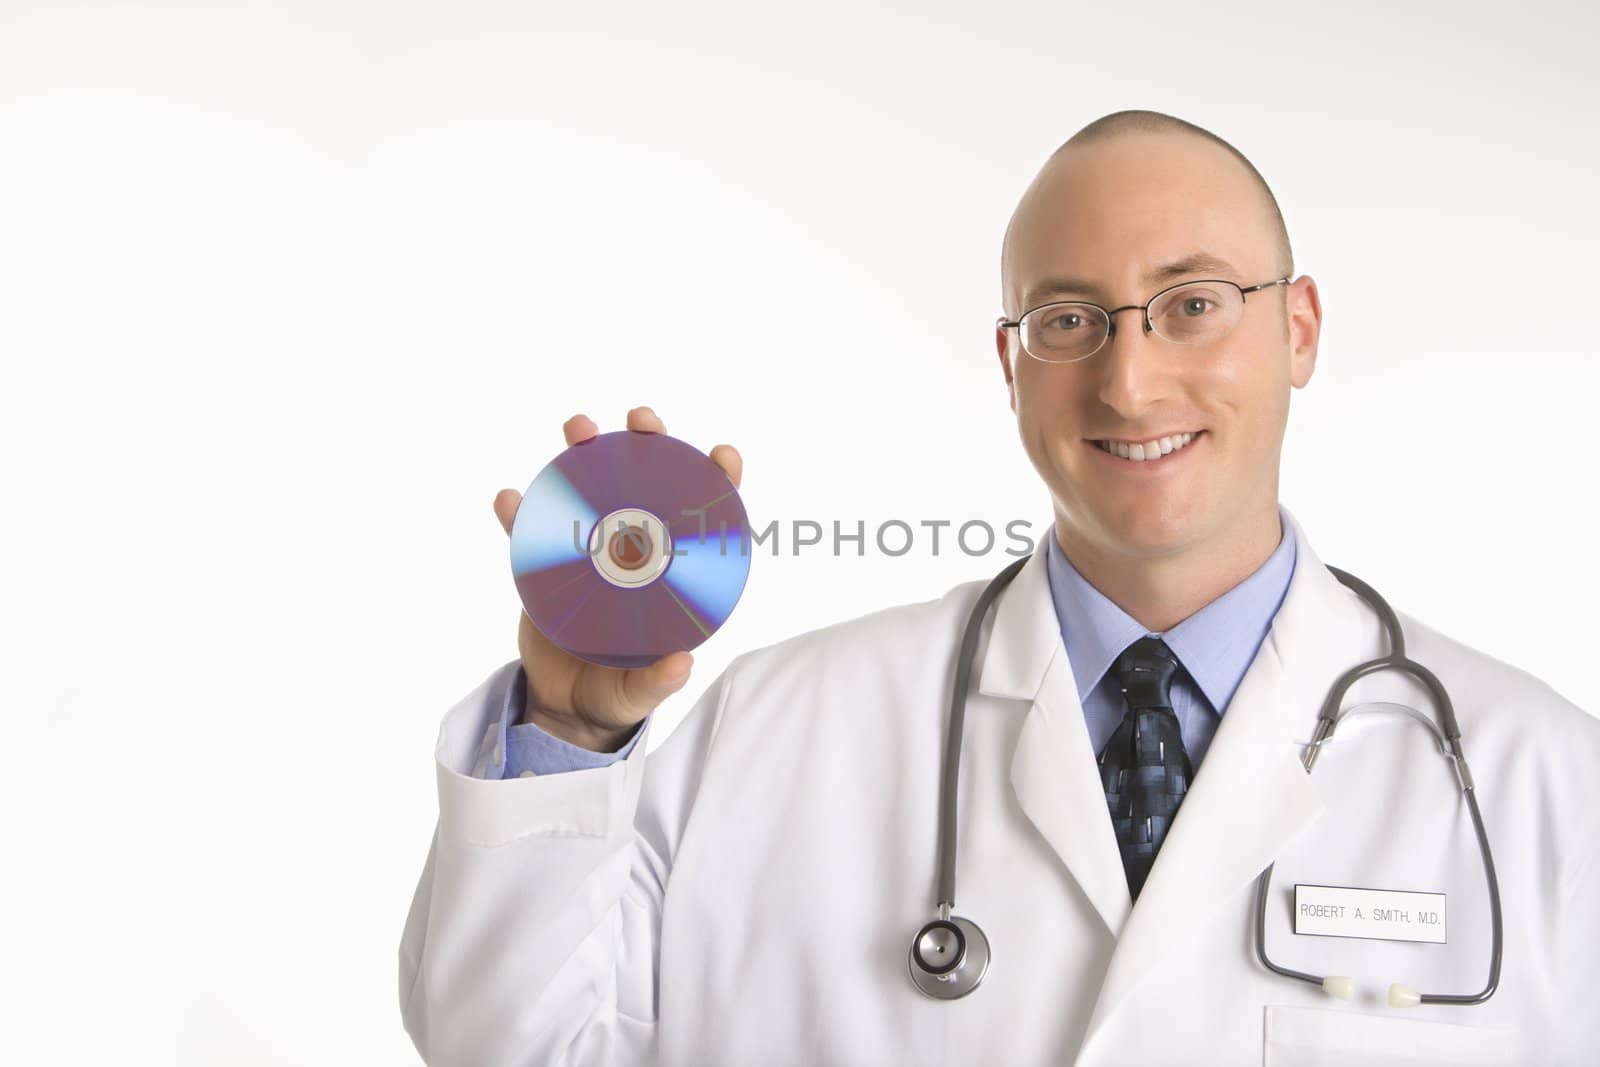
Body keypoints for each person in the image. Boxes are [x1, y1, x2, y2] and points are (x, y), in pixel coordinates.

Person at [397, 110, 1600, 1065]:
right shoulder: (774, 728)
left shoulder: (1539, 777)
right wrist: (567, 730)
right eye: (1068, 319)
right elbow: (511, 1049)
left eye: (1191, 305)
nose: (1128, 383)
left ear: (1299, 329)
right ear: (1009, 365)